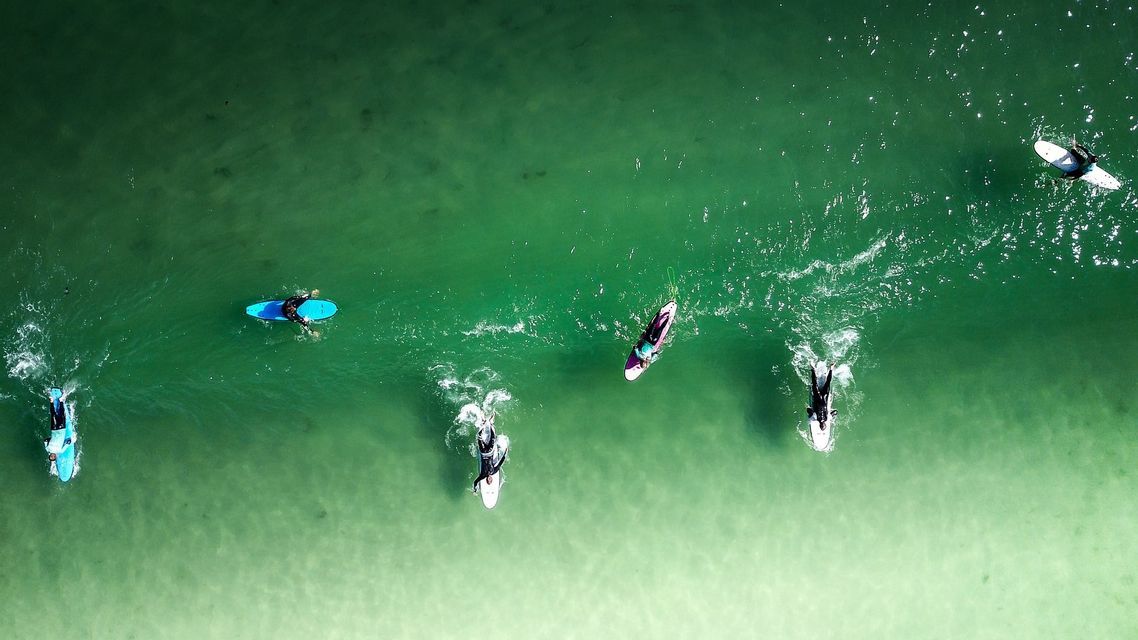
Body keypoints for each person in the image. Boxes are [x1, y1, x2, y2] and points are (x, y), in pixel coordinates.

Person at [471, 415, 508, 493]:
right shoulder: (493, 471)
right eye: (491, 480)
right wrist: (505, 453)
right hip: (490, 451)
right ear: (492, 479)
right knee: (493, 437)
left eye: (488, 480)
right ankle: (490, 423)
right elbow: (500, 463)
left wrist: (475, 490)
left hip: (484, 452)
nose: (489, 478)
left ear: (486, 479)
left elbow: (475, 482)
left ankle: (484, 423)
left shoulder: (483, 475)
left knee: (479, 438)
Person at [806, 363, 838, 431]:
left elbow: (835, 412)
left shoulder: (827, 418)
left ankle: (831, 368)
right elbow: (808, 410)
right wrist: (809, 413)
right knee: (814, 384)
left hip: (824, 397)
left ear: (825, 424)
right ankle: (813, 369)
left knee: (828, 383)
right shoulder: (815, 418)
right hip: (817, 397)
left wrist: (833, 415)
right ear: (819, 425)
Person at [44, 391, 72, 462]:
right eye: (53, 457)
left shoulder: (47, 449)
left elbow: (45, 440)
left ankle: (51, 401)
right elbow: (68, 442)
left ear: (49, 455)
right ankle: (61, 401)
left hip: (54, 429)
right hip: (61, 429)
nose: (52, 456)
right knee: (62, 415)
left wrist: (53, 438)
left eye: (51, 457)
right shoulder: (60, 451)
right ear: (56, 457)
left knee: (53, 415)